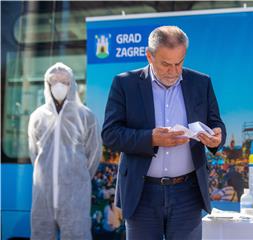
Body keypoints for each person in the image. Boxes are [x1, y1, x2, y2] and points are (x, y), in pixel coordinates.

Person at [102, 26, 226, 239]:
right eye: (166, 64)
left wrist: (217, 138)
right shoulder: (125, 84)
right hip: (142, 194)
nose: (174, 71)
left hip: (188, 193)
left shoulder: (201, 83)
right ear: (149, 56)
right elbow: (110, 134)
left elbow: (216, 124)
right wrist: (151, 138)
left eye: (179, 63)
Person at [28, 62, 102, 239]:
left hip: (75, 197)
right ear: (47, 85)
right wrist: (45, 176)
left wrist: (78, 178)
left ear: (72, 85)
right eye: (54, 81)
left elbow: (94, 154)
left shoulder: (86, 116)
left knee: (77, 235)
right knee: (41, 235)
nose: (59, 86)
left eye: (65, 81)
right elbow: (34, 154)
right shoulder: (37, 116)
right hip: (43, 196)